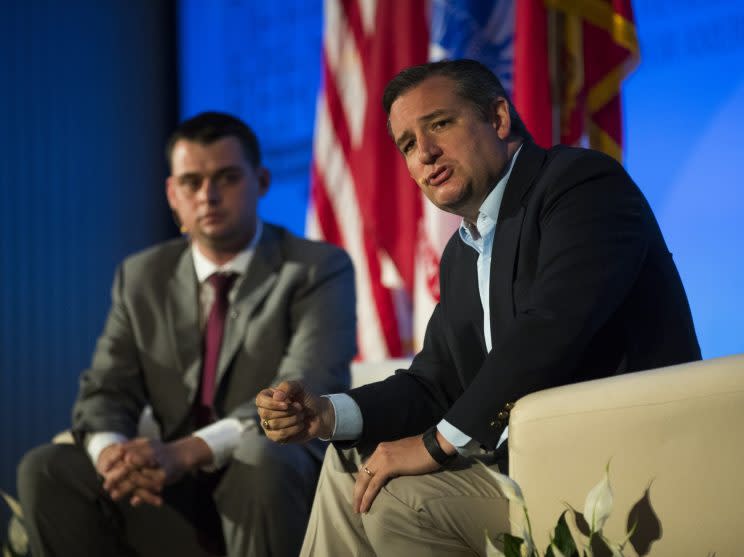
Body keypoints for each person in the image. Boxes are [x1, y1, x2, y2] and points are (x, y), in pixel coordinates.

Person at [256, 59, 701, 556]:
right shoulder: (463, 251)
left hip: (614, 469)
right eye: (406, 144)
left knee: (395, 499)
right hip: (525, 470)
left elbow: (550, 329)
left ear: (499, 118)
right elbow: (434, 383)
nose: (424, 153)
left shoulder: (579, 185)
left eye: (439, 124)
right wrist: (329, 414)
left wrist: (435, 445)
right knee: (350, 464)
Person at [17, 111, 357, 557]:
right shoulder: (140, 276)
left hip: (270, 485)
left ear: (262, 181)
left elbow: (301, 390)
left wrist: (186, 452)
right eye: (191, 182)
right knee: (46, 468)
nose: (208, 196)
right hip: (167, 494)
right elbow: (105, 391)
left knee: (263, 459)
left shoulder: (317, 268)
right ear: (172, 194)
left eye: (227, 178)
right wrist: (114, 458)